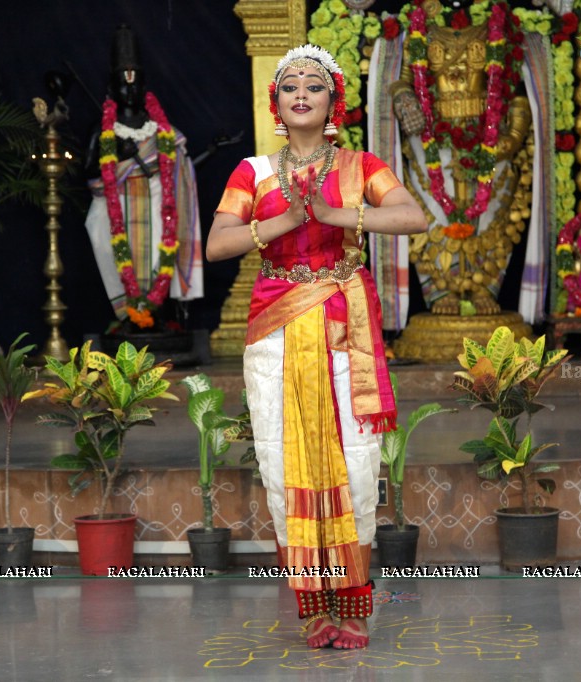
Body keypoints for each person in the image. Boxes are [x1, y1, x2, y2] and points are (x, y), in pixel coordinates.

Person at [206, 44, 426, 650]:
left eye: (314, 85)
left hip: (343, 325)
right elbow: (217, 245)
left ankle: (352, 604)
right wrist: (279, 223)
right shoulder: (253, 172)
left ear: (333, 102)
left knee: (355, 464)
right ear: (276, 103)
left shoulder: (361, 165)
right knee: (284, 465)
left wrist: (336, 215)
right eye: (289, 87)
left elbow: (413, 217)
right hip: (277, 330)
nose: (301, 94)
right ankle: (312, 606)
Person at [86, 24, 203, 326]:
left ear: (145, 88)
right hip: (117, 206)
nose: (131, 90)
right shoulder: (104, 130)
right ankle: (129, 318)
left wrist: (212, 151)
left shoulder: (160, 130)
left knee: (158, 258)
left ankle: (157, 315)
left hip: (156, 204)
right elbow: (88, 173)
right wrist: (120, 155)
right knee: (113, 250)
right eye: (125, 85)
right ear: (113, 89)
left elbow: (182, 169)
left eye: (136, 85)